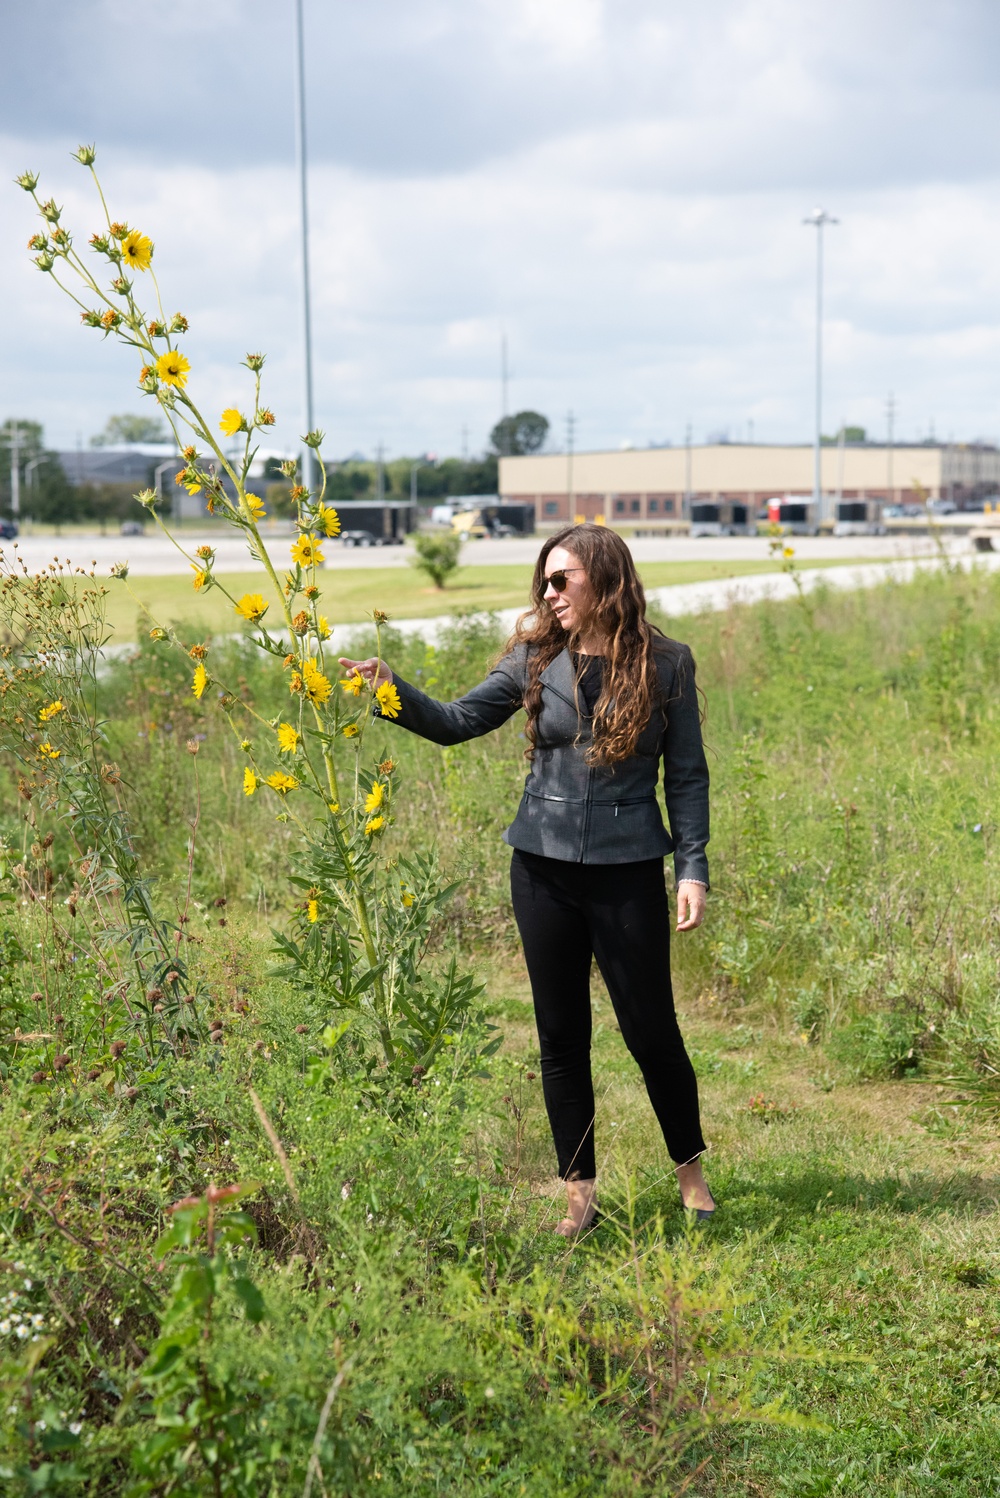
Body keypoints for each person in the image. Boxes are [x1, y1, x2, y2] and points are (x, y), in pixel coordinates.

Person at [339, 523, 714, 1235]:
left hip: (628, 869)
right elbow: (454, 722)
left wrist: (691, 866)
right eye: (544, 580)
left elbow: (687, 775)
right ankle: (580, 1195)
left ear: (605, 580)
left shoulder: (667, 664)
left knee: (651, 1030)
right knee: (560, 1036)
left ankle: (690, 1175)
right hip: (540, 870)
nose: (548, 591)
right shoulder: (534, 660)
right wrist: (391, 689)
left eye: (562, 578)